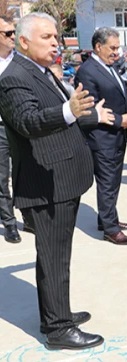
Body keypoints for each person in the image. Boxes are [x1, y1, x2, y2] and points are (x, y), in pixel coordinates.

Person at [0, 12, 116, 349]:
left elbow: (63, 113)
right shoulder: (13, 78)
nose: (55, 42)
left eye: (56, 36)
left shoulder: (39, 71)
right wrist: (70, 110)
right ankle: (58, 328)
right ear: (23, 41)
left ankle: (56, 312)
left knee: (55, 255)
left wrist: (87, 113)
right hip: (45, 183)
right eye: (47, 37)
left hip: (60, 179)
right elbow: (28, 121)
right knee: (53, 257)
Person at [75, 27, 127, 245]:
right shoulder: (88, 71)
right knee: (108, 182)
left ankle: (107, 218)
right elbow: (90, 110)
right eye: (112, 48)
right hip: (102, 138)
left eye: (118, 48)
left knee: (113, 181)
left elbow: (115, 97)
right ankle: (110, 229)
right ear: (98, 47)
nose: (116, 52)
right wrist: (121, 120)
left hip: (117, 135)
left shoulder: (109, 67)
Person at [0, 15, 22, 243]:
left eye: (14, 32)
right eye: (7, 34)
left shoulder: (21, 61)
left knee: (24, 172)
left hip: (21, 126)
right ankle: (9, 223)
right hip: (0, 130)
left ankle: (30, 216)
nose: (12, 37)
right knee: (2, 177)